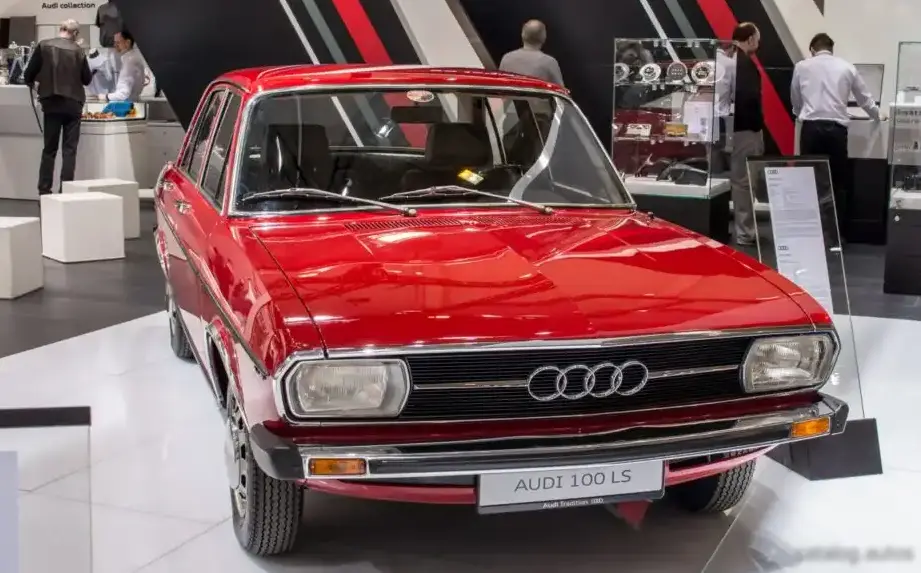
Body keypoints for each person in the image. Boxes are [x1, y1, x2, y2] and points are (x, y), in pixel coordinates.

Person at [791, 32, 884, 242]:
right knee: (838, 182)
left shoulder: (802, 67)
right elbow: (864, 98)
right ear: (831, 49)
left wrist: (799, 113)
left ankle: (810, 232)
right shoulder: (846, 67)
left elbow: (795, 98)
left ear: (812, 49)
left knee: (809, 180)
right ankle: (836, 233)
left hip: (811, 128)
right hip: (836, 130)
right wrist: (877, 115)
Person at [23, 19, 92, 195]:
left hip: (51, 103)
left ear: (60, 29)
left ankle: (44, 190)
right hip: (73, 104)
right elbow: (87, 79)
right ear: (75, 33)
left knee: (49, 149)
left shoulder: (43, 45)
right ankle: (66, 191)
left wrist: (35, 84)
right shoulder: (78, 51)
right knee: (69, 150)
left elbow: (28, 74)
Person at [727, 22, 763, 246]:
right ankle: (745, 233)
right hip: (745, 129)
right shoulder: (744, 63)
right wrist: (756, 125)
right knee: (745, 182)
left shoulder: (727, 58)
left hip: (731, 128)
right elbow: (748, 97)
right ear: (750, 39)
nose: (758, 44)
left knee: (739, 181)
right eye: (757, 40)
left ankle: (742, 231)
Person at [499, 20, 564, 87]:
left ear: (522, 35)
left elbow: (499, 87)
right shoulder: (549, 62)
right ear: (544, 37)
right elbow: (561, 90)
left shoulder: (506, 58)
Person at [97, 30, 145, 103]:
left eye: (118, 42)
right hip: (132, 103)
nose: (115, 45)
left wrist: (105, 96)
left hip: (126, 105)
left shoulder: (130, 61)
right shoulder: (133, 58)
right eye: (114, 42)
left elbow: (123, 94)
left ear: (127, 42)